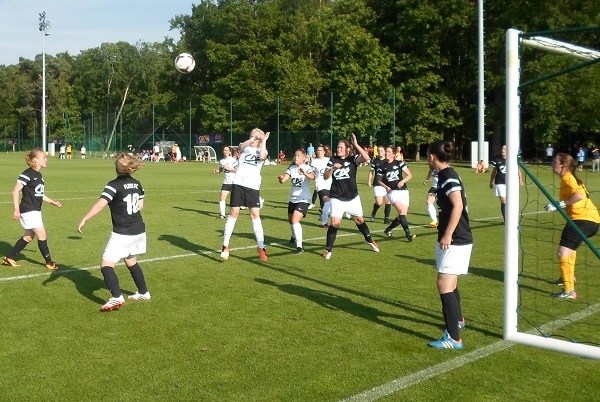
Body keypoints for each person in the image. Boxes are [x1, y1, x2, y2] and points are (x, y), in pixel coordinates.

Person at [77, 153, 151, 311]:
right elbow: (141, 206)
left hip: (123, 232)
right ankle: (144, 292)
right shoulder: (137, 184)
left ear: (116, 168)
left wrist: (84, 219)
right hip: (138, 229)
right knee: (131, 261)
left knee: (106, 265)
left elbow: (99, 205)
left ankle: (116, 297)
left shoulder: (113, 185)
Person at [426, 140, 473, 349]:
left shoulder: (447, 175)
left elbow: (458, 205)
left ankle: (454, 338)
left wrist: (447, 234)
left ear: (432, 157)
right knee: (450, 283)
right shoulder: (447, 174)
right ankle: (458, 321)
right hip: (459, 237)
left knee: (444, 284)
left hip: (456, 238)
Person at [545, 153, 600, 299]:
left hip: (583, 220)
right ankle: (568, 278)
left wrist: (559, 204)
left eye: (555, 161)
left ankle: (569, 291)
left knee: (562, 252)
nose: (552, 163)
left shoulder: (568, 178)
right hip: (590, 220)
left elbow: (579, 196)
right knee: (570, 251)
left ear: (563, 165)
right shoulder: (569, 178)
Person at [322, 133, 380, 259]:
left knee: (359, 220)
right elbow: (325, 177)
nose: (339, 149)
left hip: (352, 197)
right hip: (336, 197)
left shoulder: (352, 159)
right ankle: (328, 250)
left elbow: (366, 158)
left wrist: (356, 144)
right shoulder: (333, 160)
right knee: (335, 222)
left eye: (341, 148)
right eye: (338, 147)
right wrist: (332, 168)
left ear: (348, 149)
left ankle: (369, 240)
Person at [3, 149, 61, 270]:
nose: (46, 160)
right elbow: (15, 191)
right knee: (42, 234)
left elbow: (39, 194)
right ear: (35, 160)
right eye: (44, 157)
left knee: (29, 236)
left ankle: (10, 256)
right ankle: (49, 262)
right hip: (29, 210)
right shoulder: (27, 174)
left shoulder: (39, 175)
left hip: (35, 210)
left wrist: (52, 201)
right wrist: (16, 209)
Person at [221, 128, 270, 261]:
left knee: (255, 215)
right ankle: (225, 245)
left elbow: (262, 157)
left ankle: (261, 247)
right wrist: (252, 139)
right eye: (251, 136)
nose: (253, 139)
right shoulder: (245, 147)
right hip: (239, 184)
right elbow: (239, 147)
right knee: (234, 213)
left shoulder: (262, 150)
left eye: (256, 137)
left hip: (253, 187)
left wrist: (263, 141)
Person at [277, 149, 315, 253]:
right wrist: (280, 178)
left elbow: (313, 176)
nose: (296, 157)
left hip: (303, 199)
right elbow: (283, 181)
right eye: (295, 155)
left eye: (298, 155)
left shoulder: (307, 168)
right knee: (291, 220)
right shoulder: (291, 168)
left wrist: (305, 173)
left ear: (304, 158)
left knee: (295, 220)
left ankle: (299, 246)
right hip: (292, 199)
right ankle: (293, 236)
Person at [377, 145, 416, 241]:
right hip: (392, 192)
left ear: (394, 154)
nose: (386, 153)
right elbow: (379, 180)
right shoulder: (382, 166)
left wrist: (402, 181)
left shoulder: (399, 163)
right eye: (386, 151)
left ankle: (388, 229)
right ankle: (408, 235)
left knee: (403, 215)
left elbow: (409, 175)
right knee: (401, 212)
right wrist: (386, 186)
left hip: (403, 191)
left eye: (389, 152)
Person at [490, 145, 523, 223]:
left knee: (511, 201)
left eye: (505, 149)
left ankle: (512, 218)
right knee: (503, 200)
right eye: (502, 149)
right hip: (499, 182)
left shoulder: (512, 160)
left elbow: (518, 170)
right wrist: (491, 181)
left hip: (510, 183)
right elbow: (494, 171)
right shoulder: (497, 159)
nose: (503, 150)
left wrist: (520, 179)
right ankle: (506, 220)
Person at [310, 144, 333, 227]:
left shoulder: (328, 160)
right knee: (327, 203)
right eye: (318, 150)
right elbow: (312, 174)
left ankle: (323, 214)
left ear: (324, 152)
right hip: (320, 185)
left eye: (321, 150)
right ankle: (324, 223)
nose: (319, 152)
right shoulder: (314, 162)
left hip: (330, 184)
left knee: (332, 205)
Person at [368, 145, 392, 224]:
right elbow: (371, 172)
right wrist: (369, 181)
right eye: (379, 150)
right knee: (379, 202)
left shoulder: (388, 161)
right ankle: (373, 213)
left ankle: (386, 219)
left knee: (388, 201)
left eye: (382, 150)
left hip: (387, 184)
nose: (380, 152)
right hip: (378, 183)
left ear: (385, 151)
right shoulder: (375, 161)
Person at [213, 145, 238, 219]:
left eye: (227, 150)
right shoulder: (221, 161)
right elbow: (221, 169)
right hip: (226, 182)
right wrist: (217, 171)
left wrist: (229, 168)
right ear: (223, 151)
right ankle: (222, 214)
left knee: (236, 200)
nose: (226, 152)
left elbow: (236, 169)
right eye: (225, 150)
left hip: (234, 182)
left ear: (230, 152)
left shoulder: (233, 160)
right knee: (222, 198)